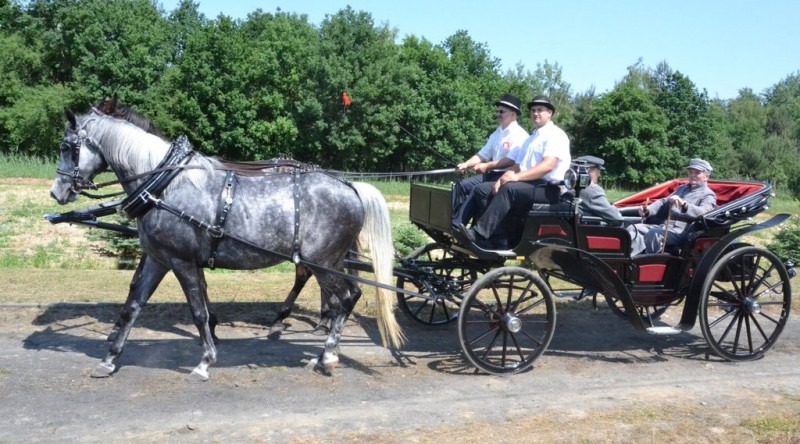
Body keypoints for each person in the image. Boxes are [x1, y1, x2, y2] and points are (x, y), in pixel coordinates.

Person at [453, 95, 571, 248]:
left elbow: (547, 166)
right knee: (481, 190)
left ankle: (479, 234)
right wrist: (502, 178)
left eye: (540, 110)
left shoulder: (556, 135)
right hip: (530, 184)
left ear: (550, 113)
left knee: (509, 189)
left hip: (549, 188)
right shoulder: (531, 138)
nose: (535, 113)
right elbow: (517, 165)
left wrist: (515, 178)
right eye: (533, 110)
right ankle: (498, 237)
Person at [454, 94, 529, 204]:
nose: (498, 114)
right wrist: (466, 164)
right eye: (497, 111)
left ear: (513, 114)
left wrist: (487, 166)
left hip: (507, 176)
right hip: (492, 174)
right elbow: (482, 154)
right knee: (461, 185)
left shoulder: (520, 135)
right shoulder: (496, 133)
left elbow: (510, 161)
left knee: (479, 190)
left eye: (501, 112)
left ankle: (481, 215)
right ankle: (455, 215)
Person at [632, 158, 717, 254]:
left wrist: (684, 205)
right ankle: (631, 259)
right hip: (664, 226)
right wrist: (648, 210)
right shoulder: (682, 188)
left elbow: (704, 212)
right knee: (633, 229)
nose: (692, 175)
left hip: (683, 232)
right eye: (690, 172)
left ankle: (649, 261)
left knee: (654, 234)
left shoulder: (708, 194)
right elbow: (664, 202)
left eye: (697, 173)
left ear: (706, 176)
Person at [574, 155, 645, 254]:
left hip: (580, 233)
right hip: (594, 233)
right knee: (636, 237)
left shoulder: (569, 186)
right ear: (589, 170)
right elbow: (616, 218)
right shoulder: (592, 190)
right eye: (598, 171)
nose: (599, 175)